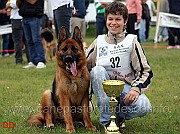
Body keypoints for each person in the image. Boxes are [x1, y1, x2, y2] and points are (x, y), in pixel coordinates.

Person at [86, 1, 153, 132]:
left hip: (125, 90)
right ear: (106, 20)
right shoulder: (98, 42)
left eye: (118, 19)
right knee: (97, 71)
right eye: (110, 19)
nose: (114, 23)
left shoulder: (132, 41)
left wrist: (135, 89)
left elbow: (145, 71)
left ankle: (116, 116)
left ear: (125, 21)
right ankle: (108, 122)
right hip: (104, 91)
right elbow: (84, 69)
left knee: (145, 107)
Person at [17, 0, 46, 68]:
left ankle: (41, 60)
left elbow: (33, 1)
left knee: (36, 39)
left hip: (34, 16)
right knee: (29, 41)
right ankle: (33, 60)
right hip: (25, 16)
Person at [6, 0, 29, 64]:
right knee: (27, 40)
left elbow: (14, 4)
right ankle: (30, 59)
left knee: (17, 41)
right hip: (25, 17)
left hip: (16, 19)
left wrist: (8, 5)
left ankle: (18, 60)